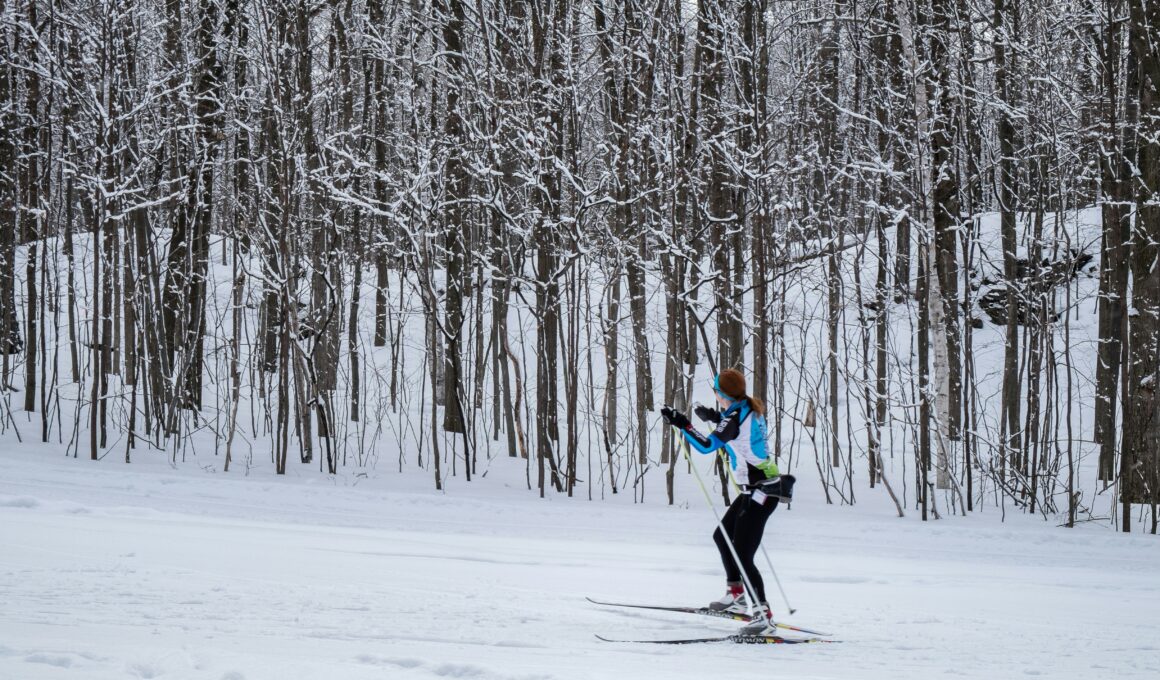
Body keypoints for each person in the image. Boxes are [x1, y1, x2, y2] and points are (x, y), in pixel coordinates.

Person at [660, 368, 782, 636]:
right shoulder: (746, 408)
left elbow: (706, 446)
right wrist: (715, 417)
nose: (714, 394)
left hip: (762, 492)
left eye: (716, 391)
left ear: (721, 393)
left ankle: (763, 615)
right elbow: (736, 430)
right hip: (757, 489)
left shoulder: (735, 416)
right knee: (722, 536)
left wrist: (682, 423)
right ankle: (737, 597)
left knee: (742, 554)